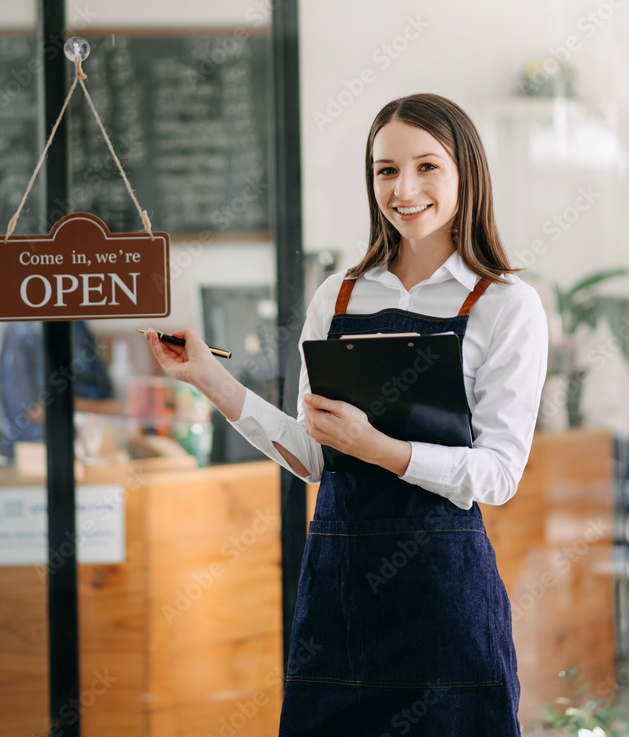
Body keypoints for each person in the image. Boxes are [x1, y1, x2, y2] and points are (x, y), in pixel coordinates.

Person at [144, 93, 549, 736]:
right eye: (385, 170)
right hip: (339, 594)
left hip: (444, 599)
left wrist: (376, 445)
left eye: (427, 166)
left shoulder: (506, 305)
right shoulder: (339, 295)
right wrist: (206, 378)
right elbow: (313, 456)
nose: (404, 187)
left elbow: (498, 475)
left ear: (465, 173)